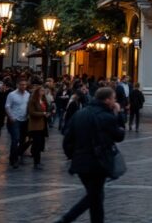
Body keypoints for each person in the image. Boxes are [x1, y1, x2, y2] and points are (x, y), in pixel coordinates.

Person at [56, 87, 125, 223]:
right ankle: (66, 219)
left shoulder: (80, 113)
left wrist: (73, 155)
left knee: (97, 196)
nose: (115, 101)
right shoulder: (106, 116)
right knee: (94, 196)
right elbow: (119, 135)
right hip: (97, 163)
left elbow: (67, 139)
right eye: (113, 98)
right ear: (107, 100)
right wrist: (117, 113)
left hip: (80, 162)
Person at [4, 78, 30, 168]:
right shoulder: (12, 95)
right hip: (15, 120)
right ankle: (13, 159)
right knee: (15, 139)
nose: (23, 86)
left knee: (22, 140)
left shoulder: (28, 94)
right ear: (17, 85)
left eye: (25, 85)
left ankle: (19, 155)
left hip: (25, 119)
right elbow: (7, 106)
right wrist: (11, 117)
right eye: (21, 84)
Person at [27, 85, 50, 170]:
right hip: (35, 126)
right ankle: (36, 162)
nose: (43, 92)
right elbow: (31, 112)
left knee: (40, 144)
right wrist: (43, 114)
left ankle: (38, 161)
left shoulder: (43, 100)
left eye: (43, 91)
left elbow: (46, 109)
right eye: (41, 91)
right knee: (37, 144)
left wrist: (48, 112)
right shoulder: (33, 101)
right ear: (37, 92)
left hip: (42, 125)